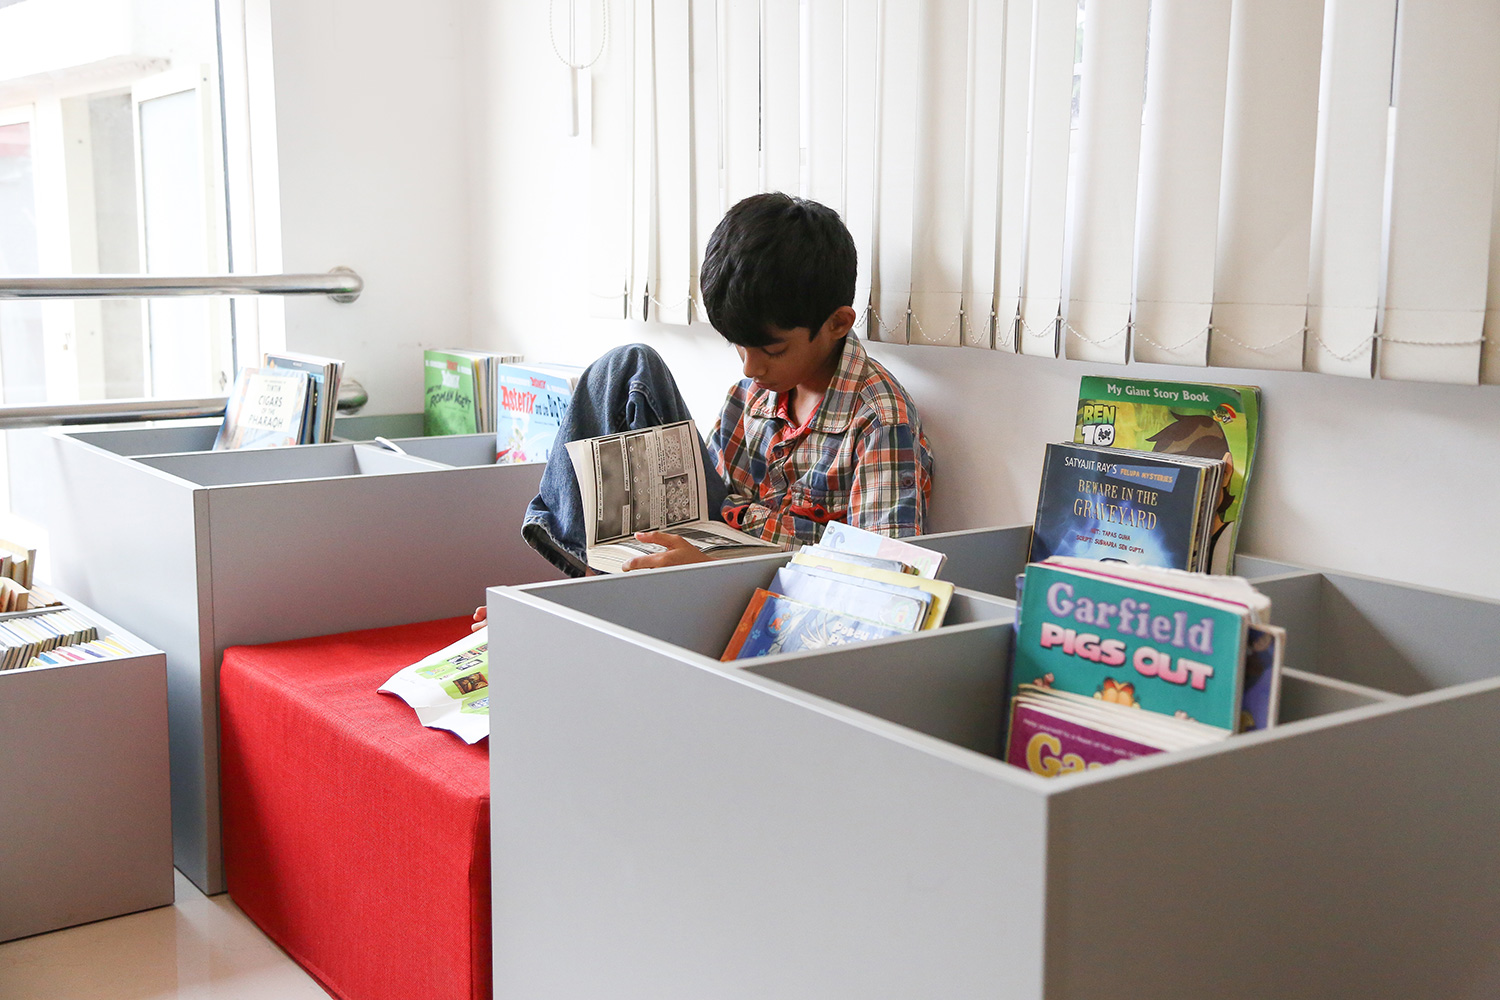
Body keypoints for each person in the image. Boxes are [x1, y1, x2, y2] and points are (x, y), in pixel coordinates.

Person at [473, 192, 933, 628]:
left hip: (768, 593)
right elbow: (704, 508)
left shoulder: (879, 419)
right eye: (738, 346)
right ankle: (586, 585)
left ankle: (580, 608)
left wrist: (714, 571)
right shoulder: (750, 394)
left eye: (771, 350)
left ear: (837, 324)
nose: (750, 368)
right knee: (627, 366)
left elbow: (884, 584)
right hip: (717, 542)